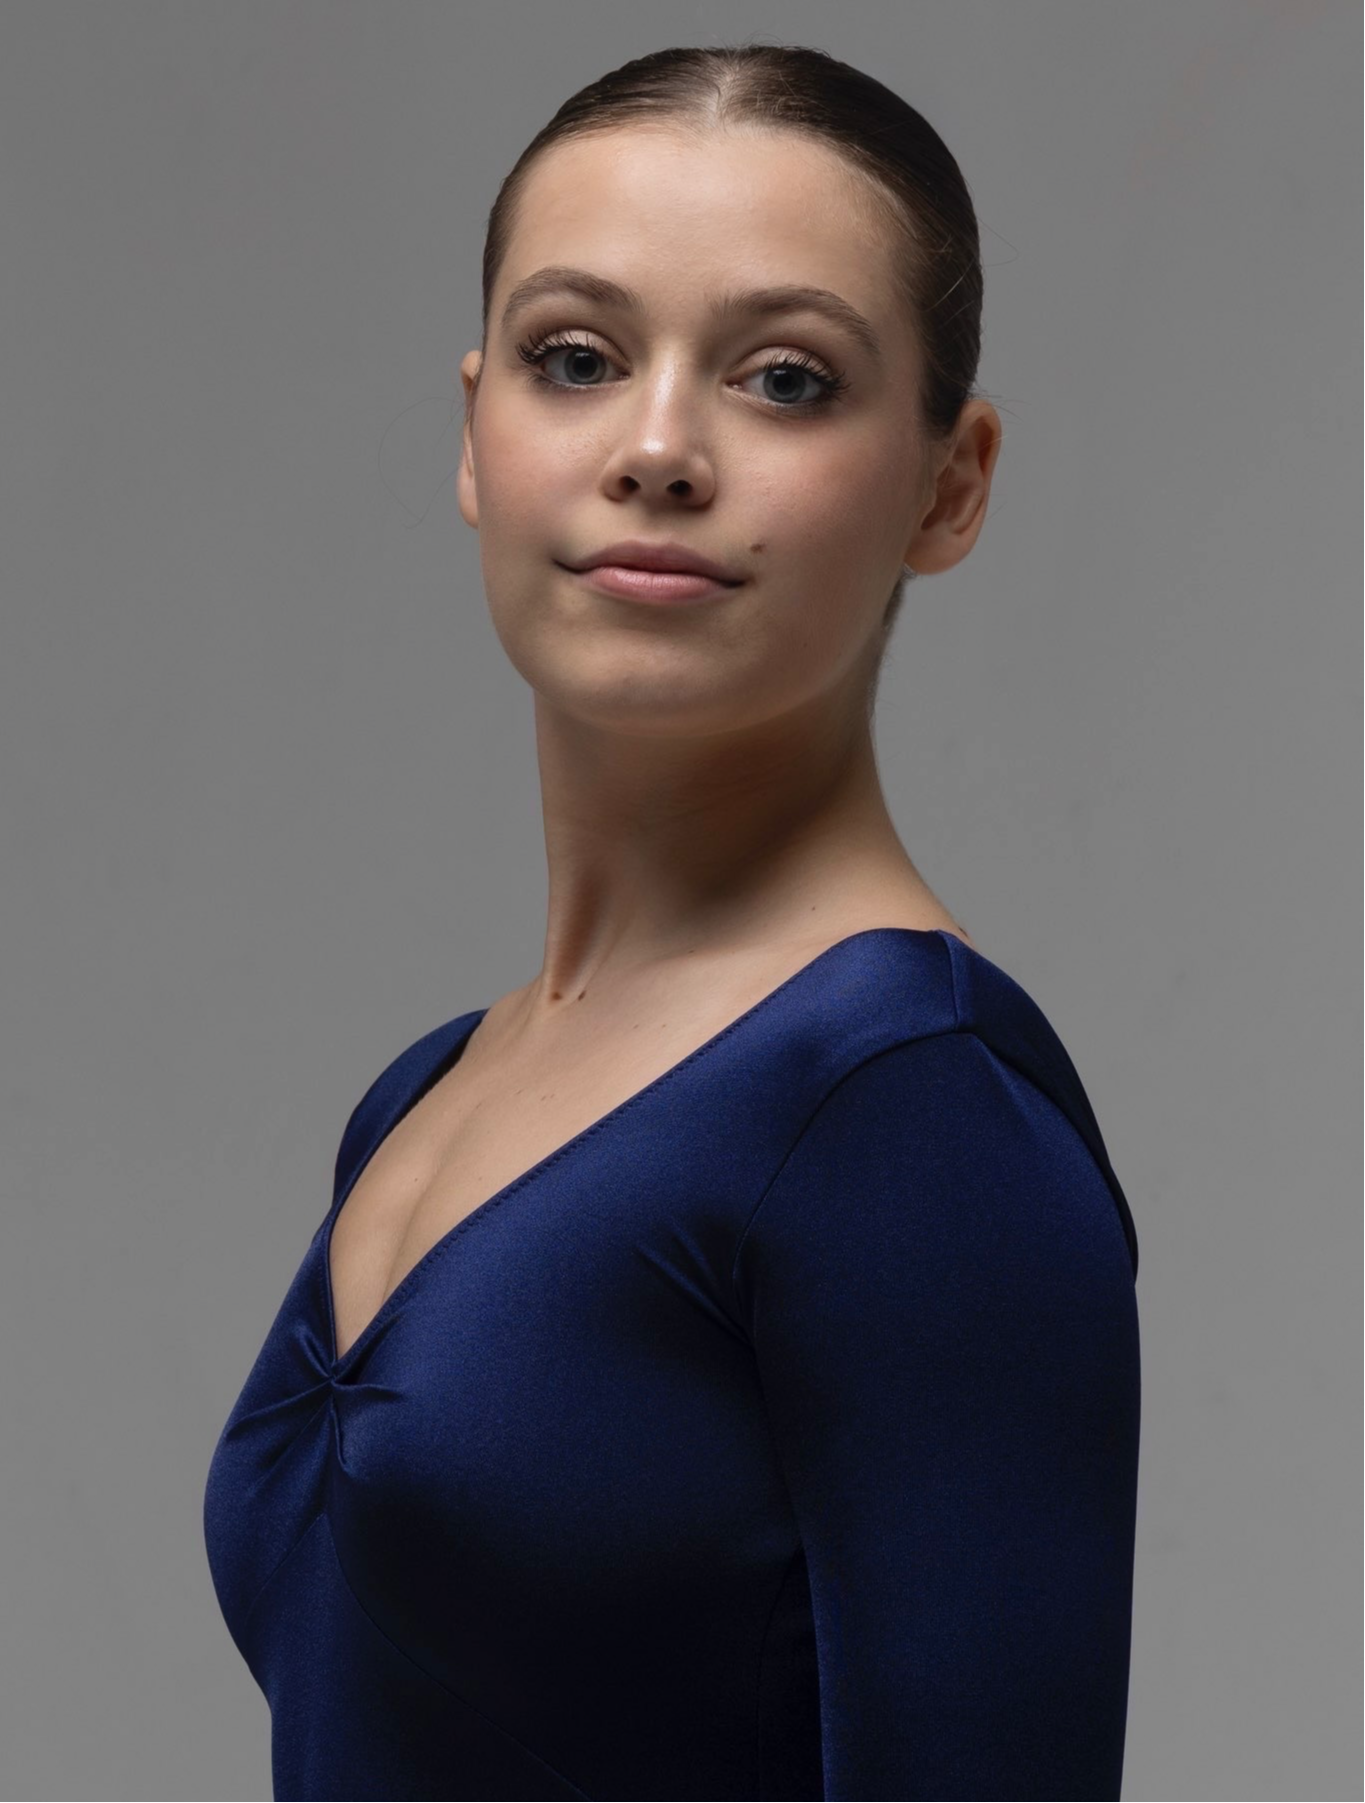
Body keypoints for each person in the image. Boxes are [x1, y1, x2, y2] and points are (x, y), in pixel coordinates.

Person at [204, 42, 1141, 1802]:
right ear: (474, 432)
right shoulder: (428, 1093)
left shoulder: (907, 1110)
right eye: (575, 358)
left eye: (786, 379)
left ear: (949, 483)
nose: (655, 448)